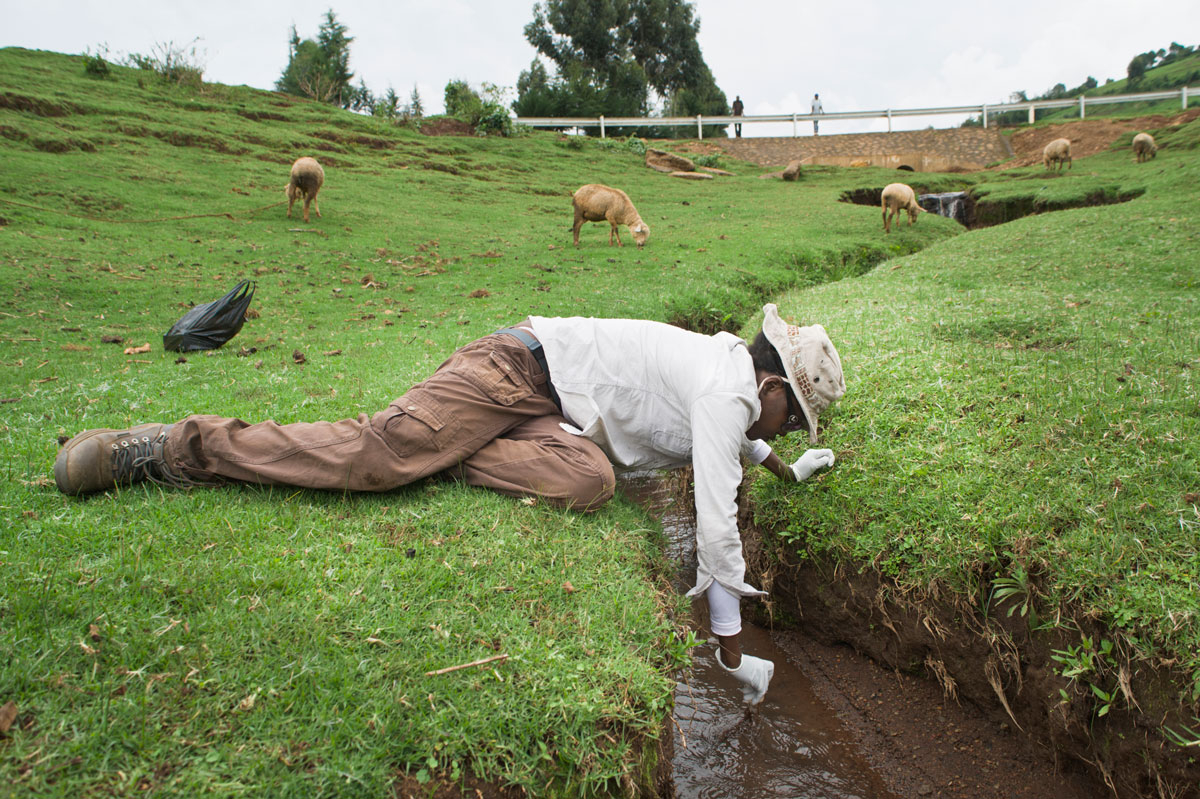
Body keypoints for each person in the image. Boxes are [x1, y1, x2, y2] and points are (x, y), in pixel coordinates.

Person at [54, 304, 845, 706]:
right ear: (772, 388)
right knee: (374, 455)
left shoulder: (731, 374)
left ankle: (444, 450)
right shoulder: (728, 386)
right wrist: (732, 650)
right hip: (514, 370)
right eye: (794, 418)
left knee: (593, 482)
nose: (782, 427)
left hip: (556, 417)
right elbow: (714, 523)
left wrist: (789, 470)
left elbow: (738, 443)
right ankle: (170, 447)